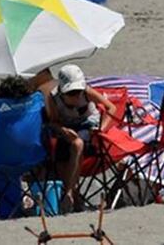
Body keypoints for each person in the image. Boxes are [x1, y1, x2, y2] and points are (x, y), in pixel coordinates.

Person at [40, 65, 117, 211]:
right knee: (63, 154)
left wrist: (102, 128)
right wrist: (63, 130)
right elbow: (54, 122)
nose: (75, 96)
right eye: (71, 93)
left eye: (78, 92)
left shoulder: (87, 92)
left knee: (78, 144)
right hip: (67, 129)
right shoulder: (53, 98)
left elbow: (111, 108)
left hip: (88, 127)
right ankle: (75, 195)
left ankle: (69, 193)